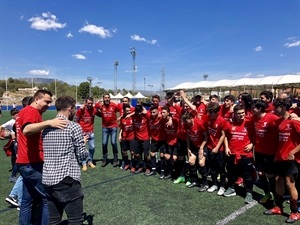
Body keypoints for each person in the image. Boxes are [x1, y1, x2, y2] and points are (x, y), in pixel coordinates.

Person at [15, 90, 68, 225]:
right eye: (46, 101)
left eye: (50, 102)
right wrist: (49, 123)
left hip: (26, 162)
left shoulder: (31, 112)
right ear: (36, 99)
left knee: (27, 201)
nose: (48, 105)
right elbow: (26, 130)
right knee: (49, 197)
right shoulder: (31, 111)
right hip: (31, 163)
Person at [42, 96, 89, 225]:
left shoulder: (46, 126)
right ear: (70, 108)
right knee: (75, 220)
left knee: (53, 220)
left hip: (48, 179)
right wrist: (84, 145)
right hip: (67, 179)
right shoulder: (74, 127)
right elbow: (81, 155)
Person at [264, 97, 300, 223]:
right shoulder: (279, 121)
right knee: (278, 180)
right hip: (279, 157)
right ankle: (278, 207)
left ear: (283, 107)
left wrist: (293, 152)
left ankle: (295, 212)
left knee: (290, 184)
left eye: (276, 107)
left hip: (290, 158)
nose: (274, 109)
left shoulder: (294, 121)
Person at [5, 96, 33, 211]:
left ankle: (14, 195)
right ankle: (20, 200)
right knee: (26, 174)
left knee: (24, 174)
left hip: (20, 148)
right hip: (24, 149)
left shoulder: (18, 117)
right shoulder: (25, 116)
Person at [224, 104, 255, 203]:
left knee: (247, 175)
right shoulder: (230, 124)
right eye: (239, 113)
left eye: (243, 113)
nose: (241, 115)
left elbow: (256, 136)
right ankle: (232, 188)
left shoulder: (249, 123)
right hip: (232, 153)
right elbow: (225, 136)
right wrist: (226, 147)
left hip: (245, 154)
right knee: (231, 173)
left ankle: (249, 193)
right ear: (234, 114)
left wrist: (251, 144)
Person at [251, 100, 279, 204]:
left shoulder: (272, 118)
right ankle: (267, 193)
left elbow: (283, 123)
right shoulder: (253, 118)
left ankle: (276, 197)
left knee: (270, 175)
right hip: (258, 152)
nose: (251, 109)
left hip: (270, 152)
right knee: (261, 173)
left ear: (259, 108)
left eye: (253, 107)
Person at [74, 97, 101, 171]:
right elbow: (75, 120)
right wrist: (78, 130)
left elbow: (101, 113)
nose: (90, 104)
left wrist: (99, 105)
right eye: (88, 103)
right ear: (85, 103)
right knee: (82, 149)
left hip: (91, 131)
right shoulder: (81, 110)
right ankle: (83, 163)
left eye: (91, 103)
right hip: (82, 132)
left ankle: (90, 161)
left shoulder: (94, 109)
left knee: (92, 147)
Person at [96, 93, 120, 167]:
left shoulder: (114, 105)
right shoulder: (101, 106)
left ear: (110, 98)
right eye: (105, 97)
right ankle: (104, 158)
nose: (107, 99)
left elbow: (121, 109)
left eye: (108, 97)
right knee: (104, 143)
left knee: (113, 143)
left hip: (113, 127)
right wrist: (100, 102)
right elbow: (95, 106)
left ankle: (115, 158)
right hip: (105, 127)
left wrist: (120, 117)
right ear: (103, 99)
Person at [0, 108, 19, 182]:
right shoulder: (11, 122)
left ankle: (14, 170)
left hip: (18, 140)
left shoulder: (19, 120)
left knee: (16, 156)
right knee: (17, 157)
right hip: (14, 141)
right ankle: (13, 175)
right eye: (15, 114)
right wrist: (1, 136)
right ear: (12, 115)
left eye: (17, 113)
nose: (17, 115)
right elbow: (1, 126)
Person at [118, 104, 135, 171]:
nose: (129, 111)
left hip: (132, 137)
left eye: (129, 110)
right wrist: (119, 135)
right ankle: (127, 164)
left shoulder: (133, 116)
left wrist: (130, 114)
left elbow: (140, 110)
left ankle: (133, 166)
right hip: (124, 137)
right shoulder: (122, 118)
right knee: (124, 152)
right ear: (124, 111)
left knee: (132, 152)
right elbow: (122, 128)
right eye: (127, 111)